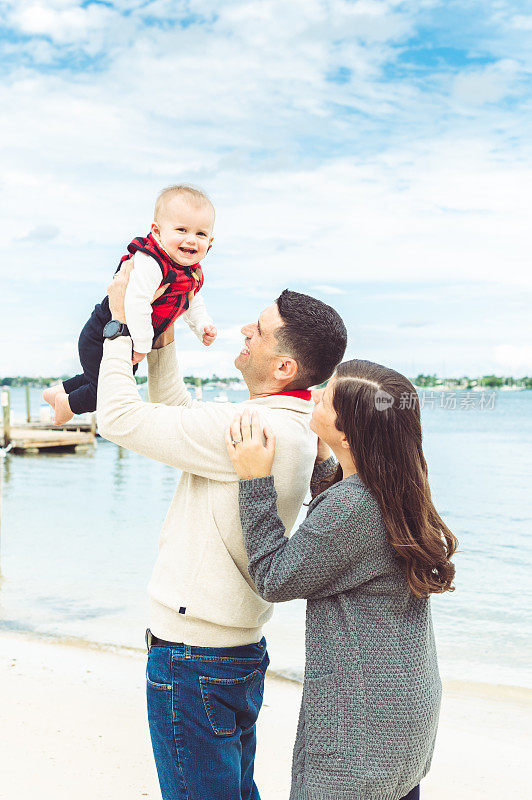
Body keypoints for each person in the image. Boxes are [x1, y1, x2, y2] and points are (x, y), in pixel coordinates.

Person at [97, 263, 348, 800]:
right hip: (229, 653)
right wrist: (163, 340)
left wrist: (120, 327)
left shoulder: (256, 430)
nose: (244, 333)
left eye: (257, 330)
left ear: (283, 364)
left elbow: (117, 417)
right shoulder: (281, 423)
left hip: (194, 660)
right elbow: (180, 416)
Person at [226, 360, 458, 800]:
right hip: (405, 707)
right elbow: (346, 540)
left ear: (349, 433)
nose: (314, 393)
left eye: (327, 395)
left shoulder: (353, 505)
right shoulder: (398, 484)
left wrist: (255, 480)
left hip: (363, 722)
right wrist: (324, 463)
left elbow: (275, 577)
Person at [43, 184, 217, 426]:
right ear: (157, 231)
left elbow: (193, 301)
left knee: (99, 377)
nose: (191, 239)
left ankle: (57, 392)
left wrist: (203, 326)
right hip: (104, 332)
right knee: (108, 390)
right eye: (181, 230)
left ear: (210, 241)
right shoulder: (152, 262)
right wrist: (144, 346)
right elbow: (137, 303)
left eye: (200, 234)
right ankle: (67, 405)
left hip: (127, 340)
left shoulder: (190, 273)